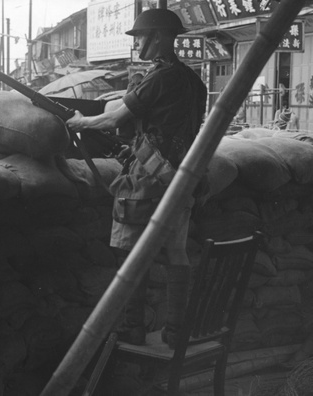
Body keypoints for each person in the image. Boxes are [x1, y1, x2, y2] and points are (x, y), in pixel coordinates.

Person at [67, 8, 207, 348]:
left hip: (148, 180)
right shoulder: (192, 80)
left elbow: (116, 119)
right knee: (177, 253)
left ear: (158, 37)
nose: (138, 43)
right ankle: (174, 331)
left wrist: (79, 122)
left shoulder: (159, 77)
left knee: (128, 254)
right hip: (182, 178)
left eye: (141, 37)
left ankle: (133, 329)